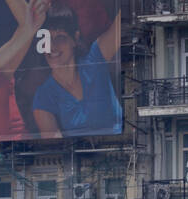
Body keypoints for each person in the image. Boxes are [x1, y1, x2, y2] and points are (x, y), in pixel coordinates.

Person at [32, 4, 121, 138]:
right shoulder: (43, 95)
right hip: (79, 156)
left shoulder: (95, 59)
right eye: (46, 40)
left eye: (60, 38)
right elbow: (54, 144)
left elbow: (122, 22)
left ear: (75, 38)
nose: (52, 47)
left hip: (121, 148)